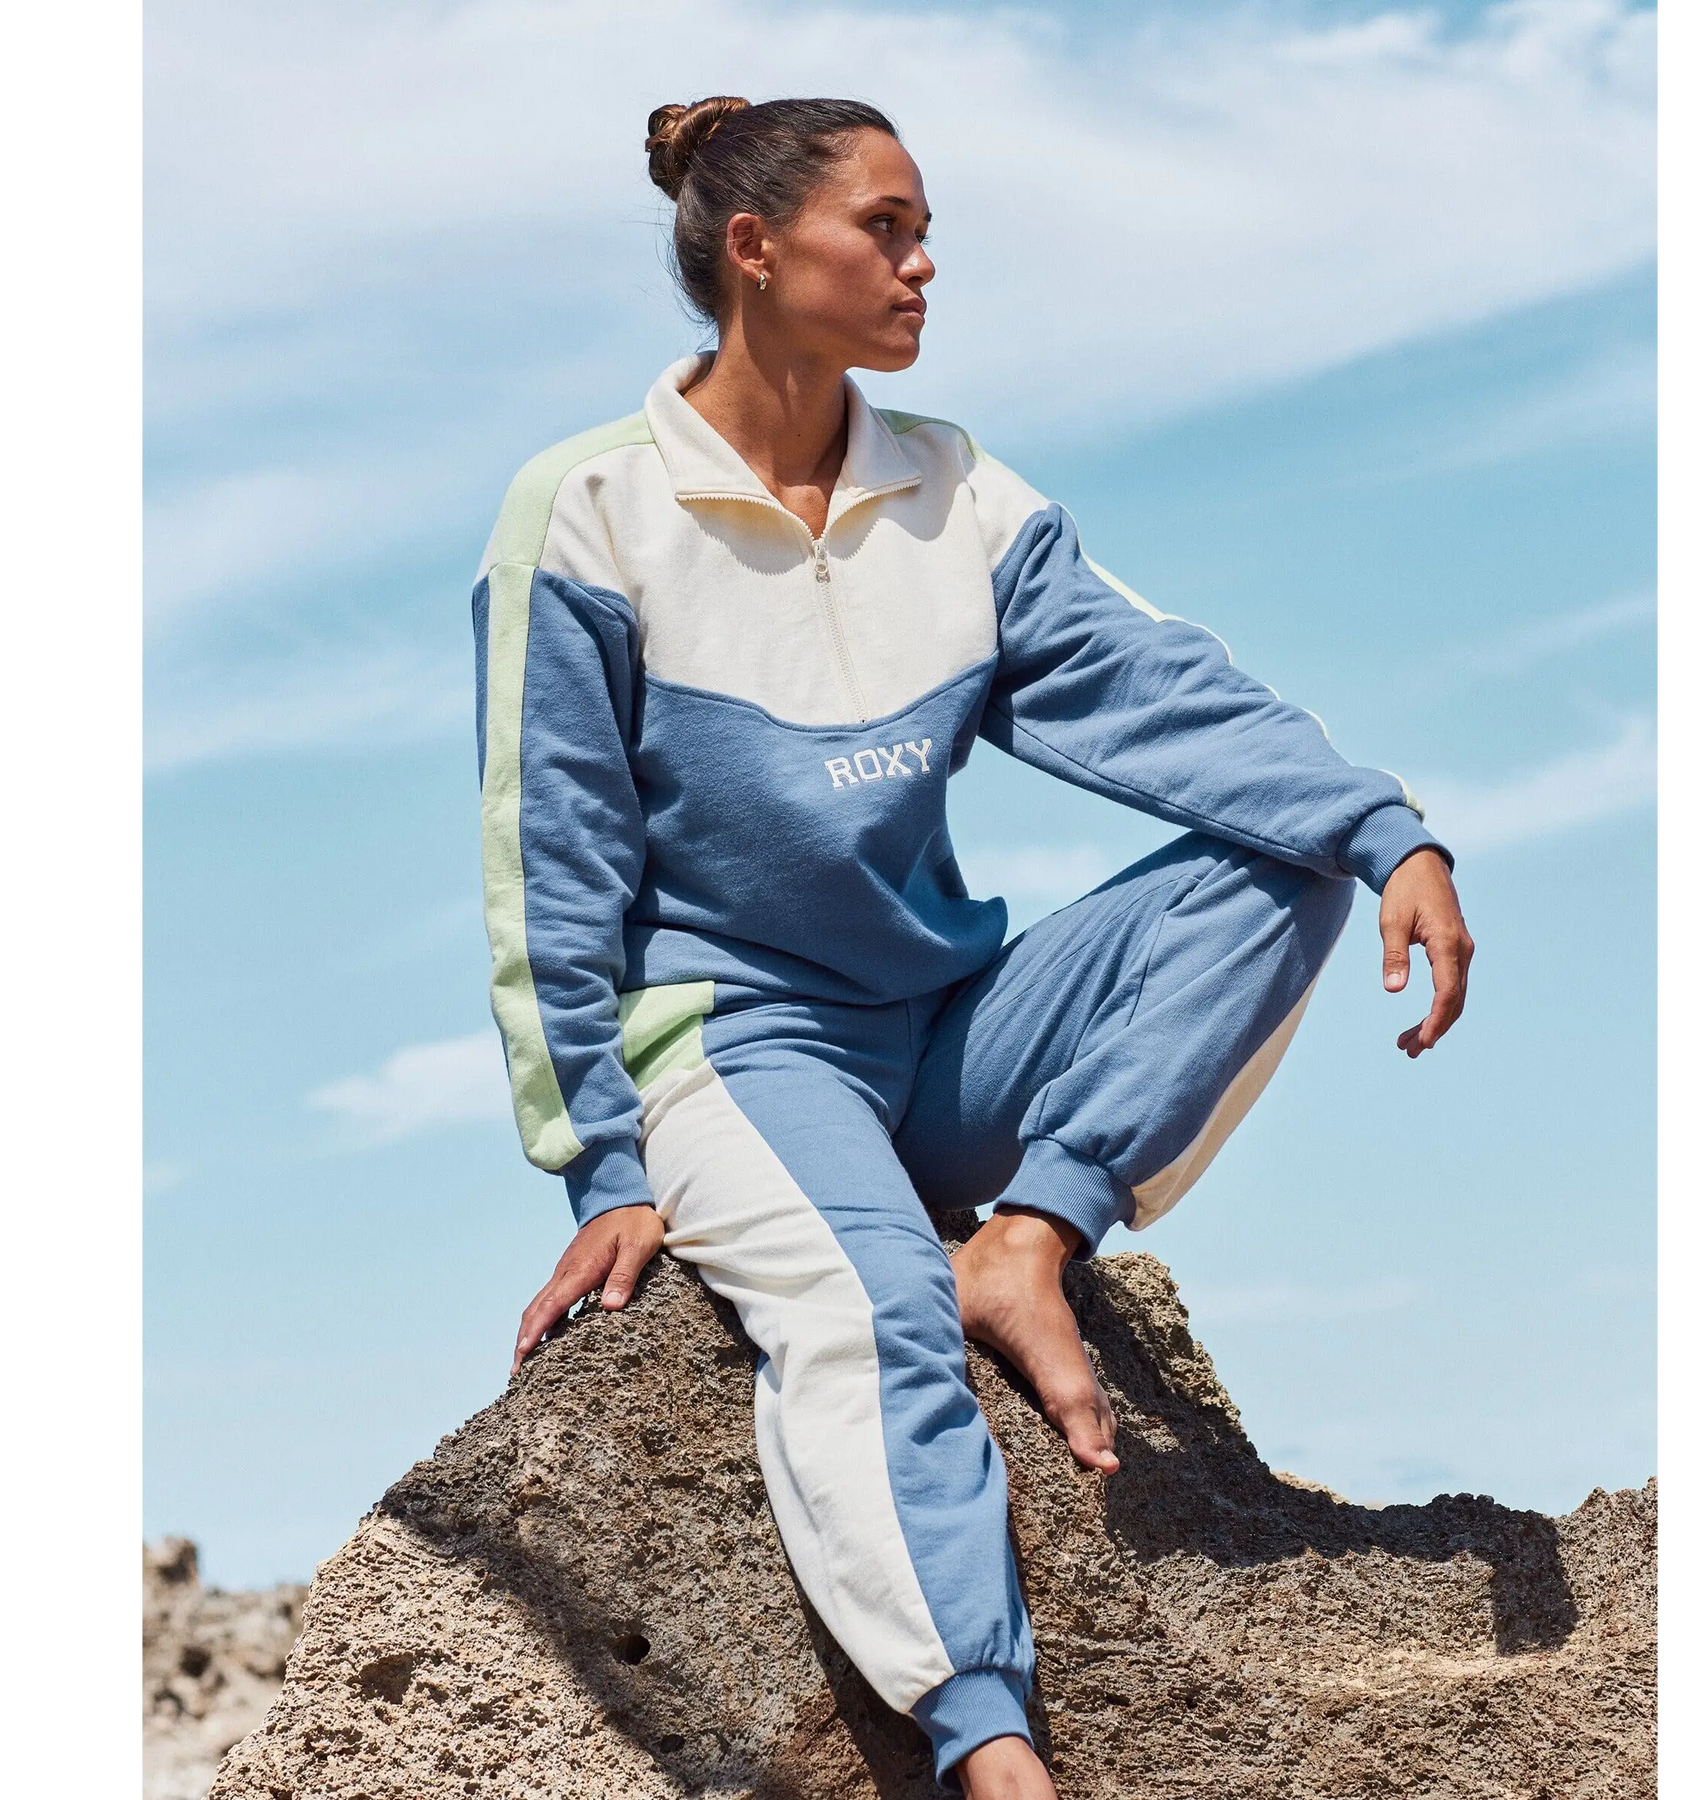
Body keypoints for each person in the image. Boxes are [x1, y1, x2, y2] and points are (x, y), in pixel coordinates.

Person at [473, 95, 1473, 1798]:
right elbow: (547, 864)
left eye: (925, 230)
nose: (923, 263)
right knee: (872, 1315)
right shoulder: (589, 511)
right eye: (886, 227)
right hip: (740, 1043)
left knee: (1288, 859)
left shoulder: (953, 490)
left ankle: (1030, 1237)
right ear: (754, 247)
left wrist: (1387, 828)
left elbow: (1160, 687)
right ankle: (990, 1746)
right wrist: (603, 1166)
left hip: (947, 1033)